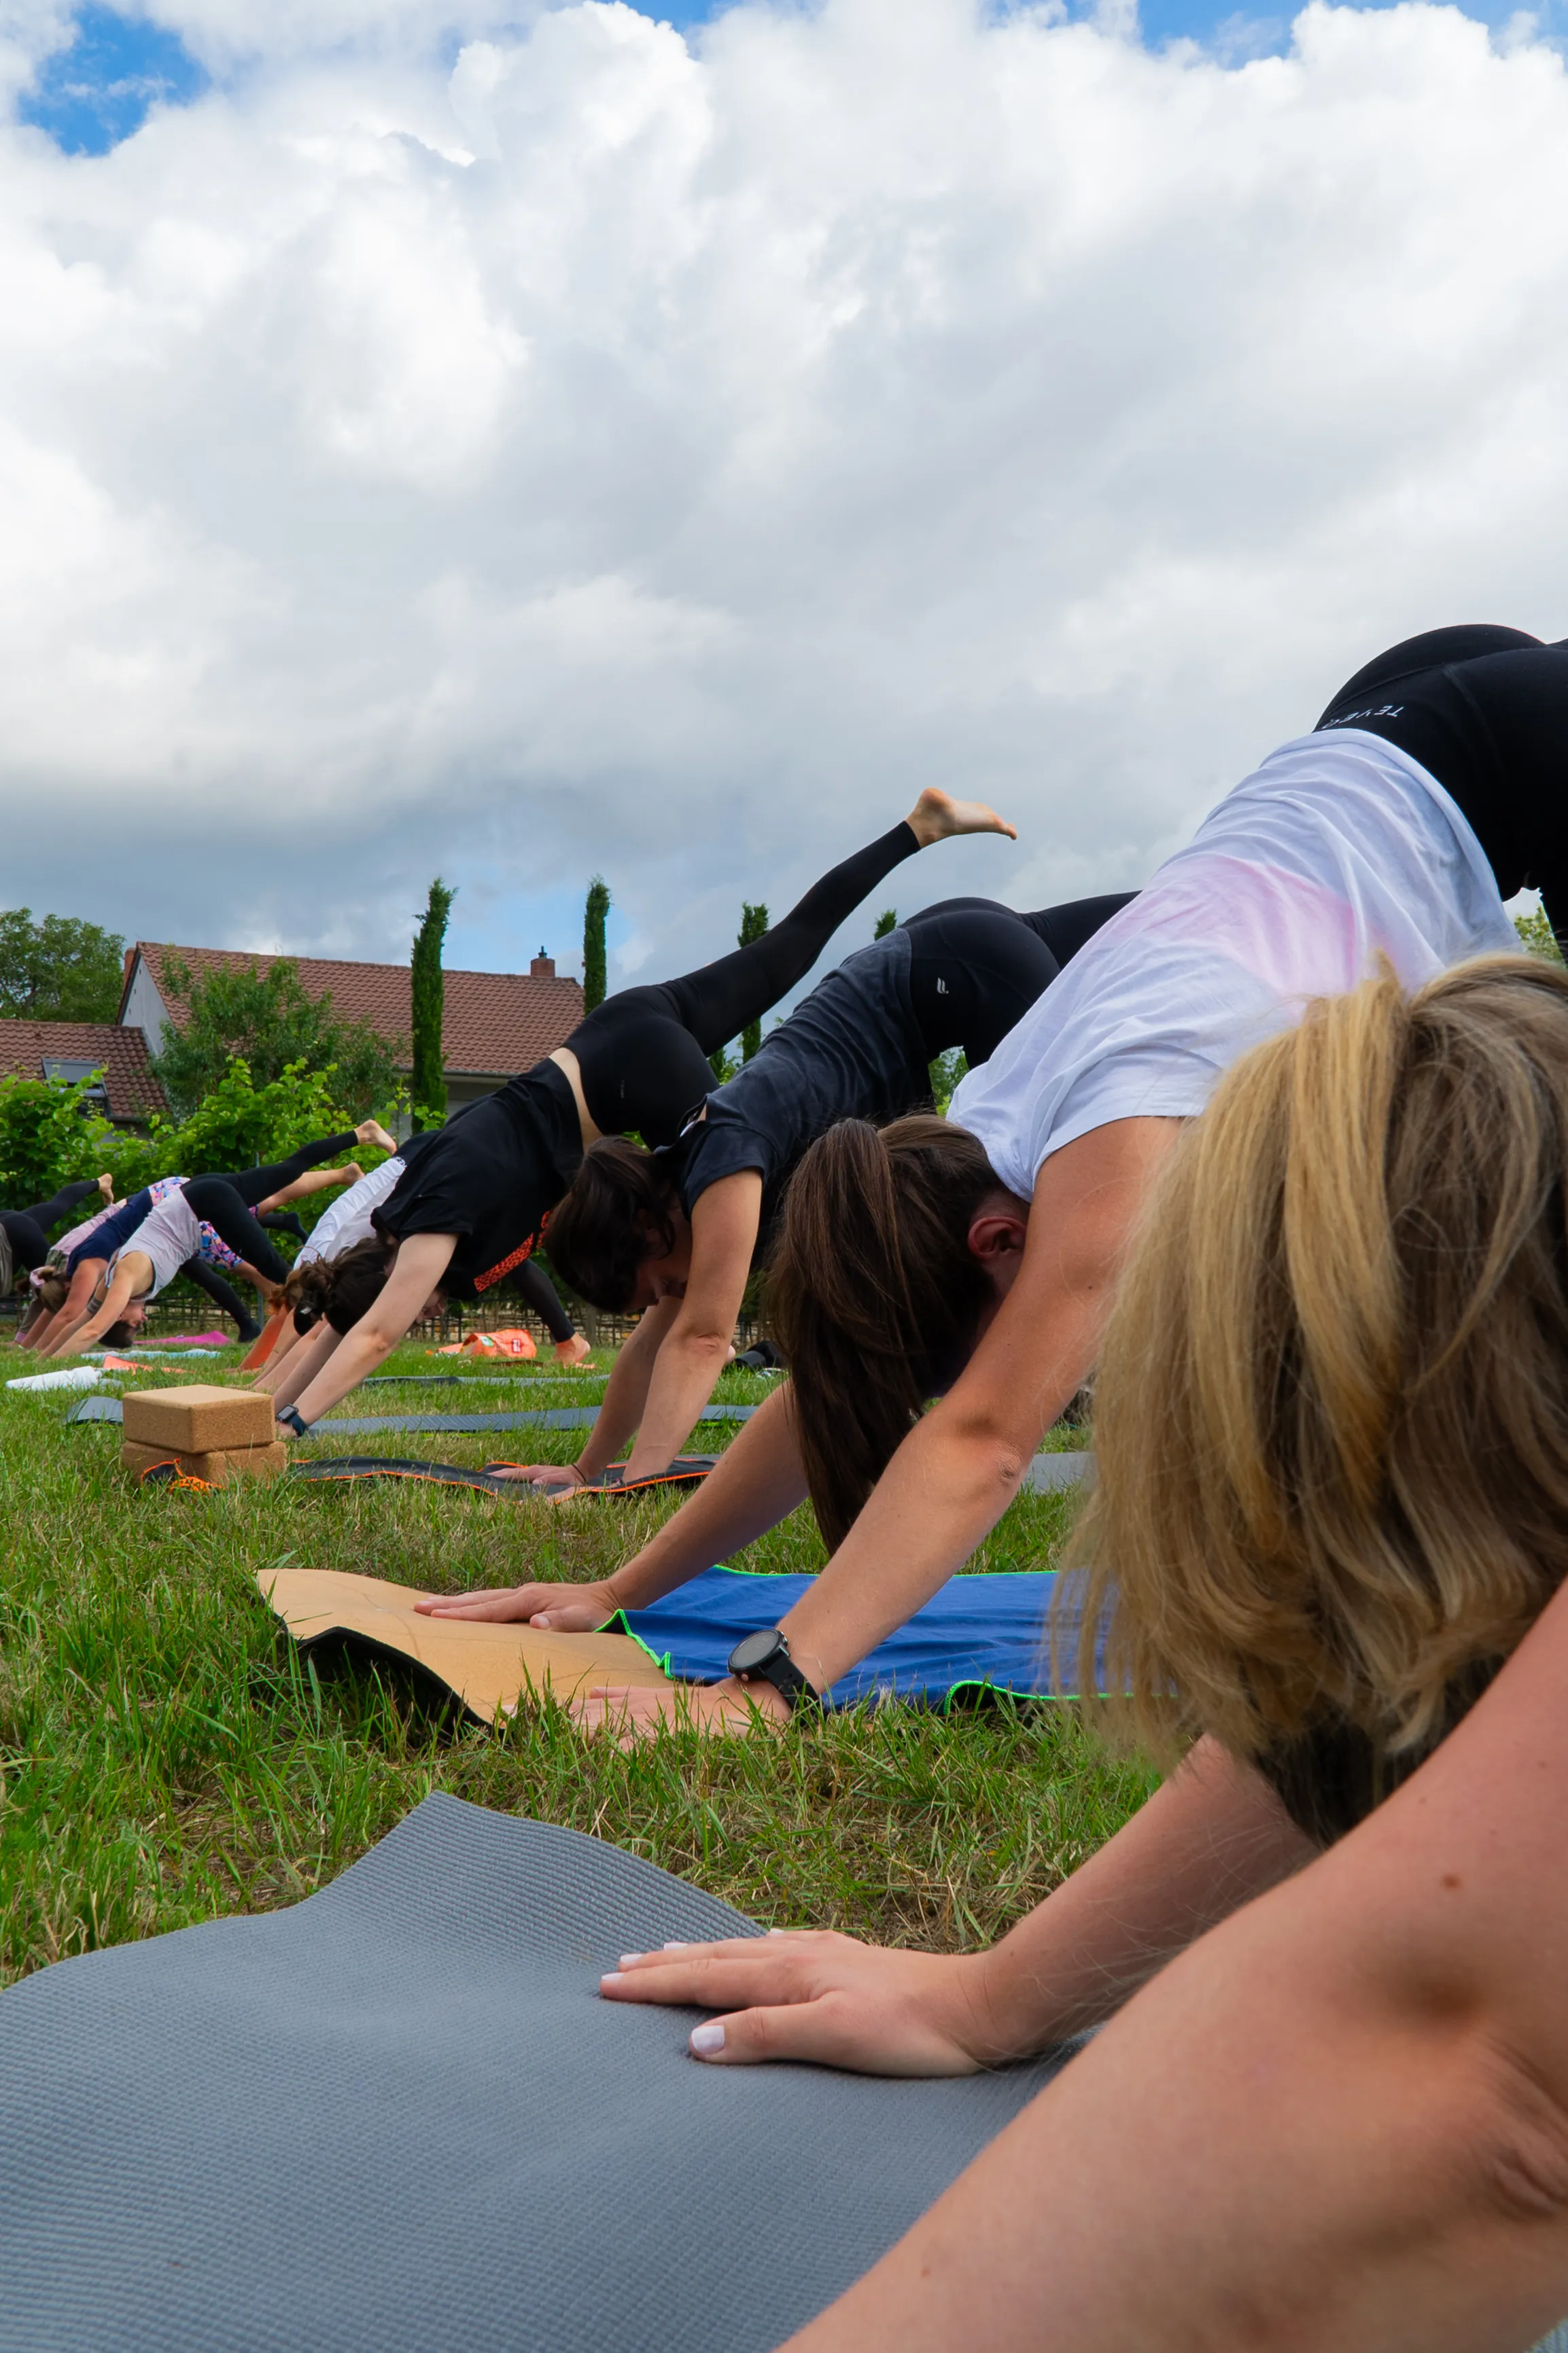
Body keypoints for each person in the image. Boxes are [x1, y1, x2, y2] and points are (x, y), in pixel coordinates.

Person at [599, 957, 1568, 2351]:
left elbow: (1494, 2096)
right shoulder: (1052, 1132)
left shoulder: (1136, 1142)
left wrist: (773, 1680)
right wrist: (992, 1998)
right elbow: (1361, 1691)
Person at [419, 625, 1530, 1721]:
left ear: (996, 1245)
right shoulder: (974, 1139)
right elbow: (826, 1392)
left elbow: (987, 1440)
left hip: (1484, 763)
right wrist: (616, 1591)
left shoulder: (1108, 1142)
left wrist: (769, 1688)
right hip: (1371, 750)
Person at [268, 789, 1017, 1437]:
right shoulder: (402, 1216)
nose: (425, 1312)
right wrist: (263, 1409)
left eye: (416, 1303)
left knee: (743, 1210)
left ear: (396, 1270)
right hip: (616, 1040)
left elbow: (374, 1333)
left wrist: (289, 1428)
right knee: (788, 948)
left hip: (630, 1080)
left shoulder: (432, 1219)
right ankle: (918, 827)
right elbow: (347, 1322)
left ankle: (731, 1341)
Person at [519, 892, 1132, 1491]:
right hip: (953, 949)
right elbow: (654, 1342)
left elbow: (702, 1339)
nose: (671, 1297)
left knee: (1030, 1196)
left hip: (960, 968)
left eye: (661, 1286)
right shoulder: (687, 1180)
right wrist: (587, 1469)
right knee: (1164, 914)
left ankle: (1079, 1384)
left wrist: (639, 1481)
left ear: (644, 1229)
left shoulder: (721, 1163)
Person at [34, 1124, 392, 1356]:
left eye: (132, 1323)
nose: (140, 1320)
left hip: (204, 1204)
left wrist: (44, 1373)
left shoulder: (126, 1277)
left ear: (119, 1316)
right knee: (288, 1170)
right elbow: (83, 1318)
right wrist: (42, 1355)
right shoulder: (113, 1280)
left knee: (280, 1271)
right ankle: (361, 1134)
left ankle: (334, 1311)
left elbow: (93, 1328)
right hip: (195, 1192)